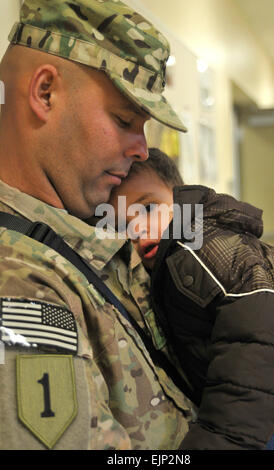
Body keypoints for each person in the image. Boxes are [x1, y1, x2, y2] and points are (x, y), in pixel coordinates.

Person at [0, 0, 197, 450]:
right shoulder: (19, 281)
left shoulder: (87, 223)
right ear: (45, 92)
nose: (142, 150)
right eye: (125, 120)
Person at [109, 147, 274, 450]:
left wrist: (218, 439)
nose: (139, 229)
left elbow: (266, 336)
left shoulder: (199, 247)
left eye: (148, 208)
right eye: (122, 225)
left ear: (180, 196)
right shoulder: (172, 260)